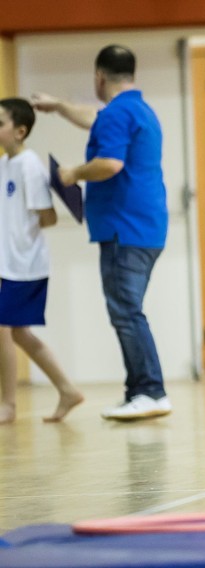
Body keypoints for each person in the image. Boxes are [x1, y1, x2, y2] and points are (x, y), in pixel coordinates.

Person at [31, 44, 170, 420]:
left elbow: (109, 163)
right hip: (145, 227)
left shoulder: (116, 114)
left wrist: (74, 173)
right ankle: (140, 390)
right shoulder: (137, 109)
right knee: (127, 309)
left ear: (99, 76)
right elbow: (94, 118)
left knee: (125, 310)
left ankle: (150, 391)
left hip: (123, 228)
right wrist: (59, 106)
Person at [0, 98, 85, 424]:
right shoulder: (5, 164)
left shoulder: (30, 166)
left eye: (1, 123)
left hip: (24, 265)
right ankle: (67, 390)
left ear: (20, 130)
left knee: (5, 330)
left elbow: (47, 217)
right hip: (9, 263)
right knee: (19, 333)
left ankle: (8, 405)